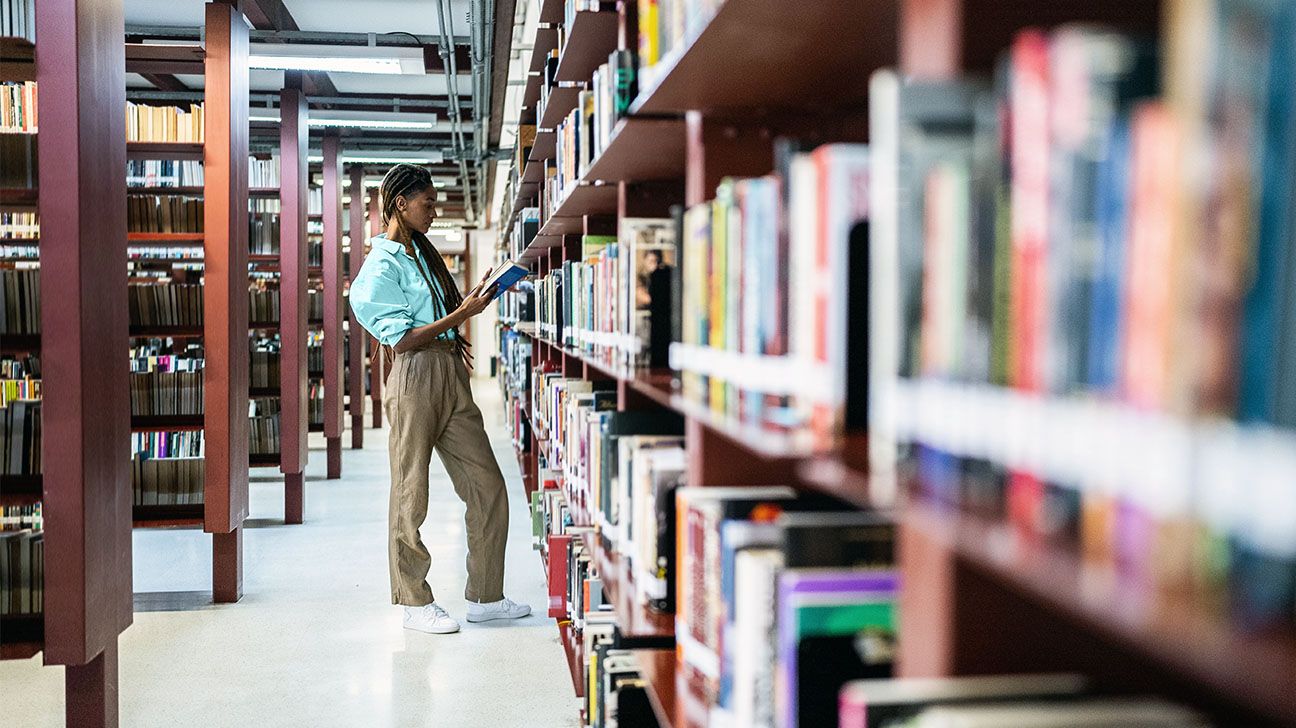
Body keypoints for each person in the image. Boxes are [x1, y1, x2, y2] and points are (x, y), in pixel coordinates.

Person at [349, 163, 530, 634]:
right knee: (412, 490)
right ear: (400, 204)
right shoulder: (378, 269)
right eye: (427, 204)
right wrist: (462, 316)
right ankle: (413, 602)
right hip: (415, 377)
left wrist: (470, 303)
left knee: (487, 484)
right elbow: (402, 340)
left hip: (451, 371)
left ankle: (486, 596)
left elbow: (437, 318)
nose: (434, 211)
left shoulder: (424, 257)